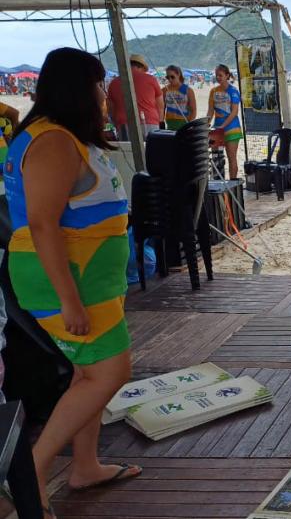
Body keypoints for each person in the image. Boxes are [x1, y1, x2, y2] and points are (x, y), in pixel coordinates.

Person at [5, 48, 140, 518]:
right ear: (78, 89)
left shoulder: (64, 136)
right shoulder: (53, 142)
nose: (104, 93)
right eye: (99, 84)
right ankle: (28, 477)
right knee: (110, 373)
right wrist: (70, 302)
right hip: (70, 283)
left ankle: (85, 465)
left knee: (88, 376)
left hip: (92, 278)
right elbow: (42, 224)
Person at [106, 53, 164, 141]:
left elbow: (110, 108)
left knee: (129, 149)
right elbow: (160, 105)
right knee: (151, 149)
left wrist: (116, 123)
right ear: (142, 67)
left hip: (124, 123)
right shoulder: (151, 79)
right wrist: (160, 122)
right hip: (150, 122)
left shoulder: (114, 82)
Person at [207, 64, 243, 178]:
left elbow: (234, 111)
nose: (218, 77)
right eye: (216, 75)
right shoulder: (213, 91)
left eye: (220, 75)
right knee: (216, 158)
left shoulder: (233, 91)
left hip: (232, 128)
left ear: (227, 75)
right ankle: (218, 181)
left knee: (231, 157)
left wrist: (223, 125)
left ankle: (233, 182)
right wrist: (206, 124)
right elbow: (210, 110)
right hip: (217, 129)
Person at [163, 65, 196, 131]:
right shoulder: (164, 90)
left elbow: (193, 110)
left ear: (178, 74)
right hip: (170, 122)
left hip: (184, 122)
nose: (170, 79)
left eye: (172, 77)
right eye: (167, 77)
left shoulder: (188, 90)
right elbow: (162, 109)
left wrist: (189, 124)